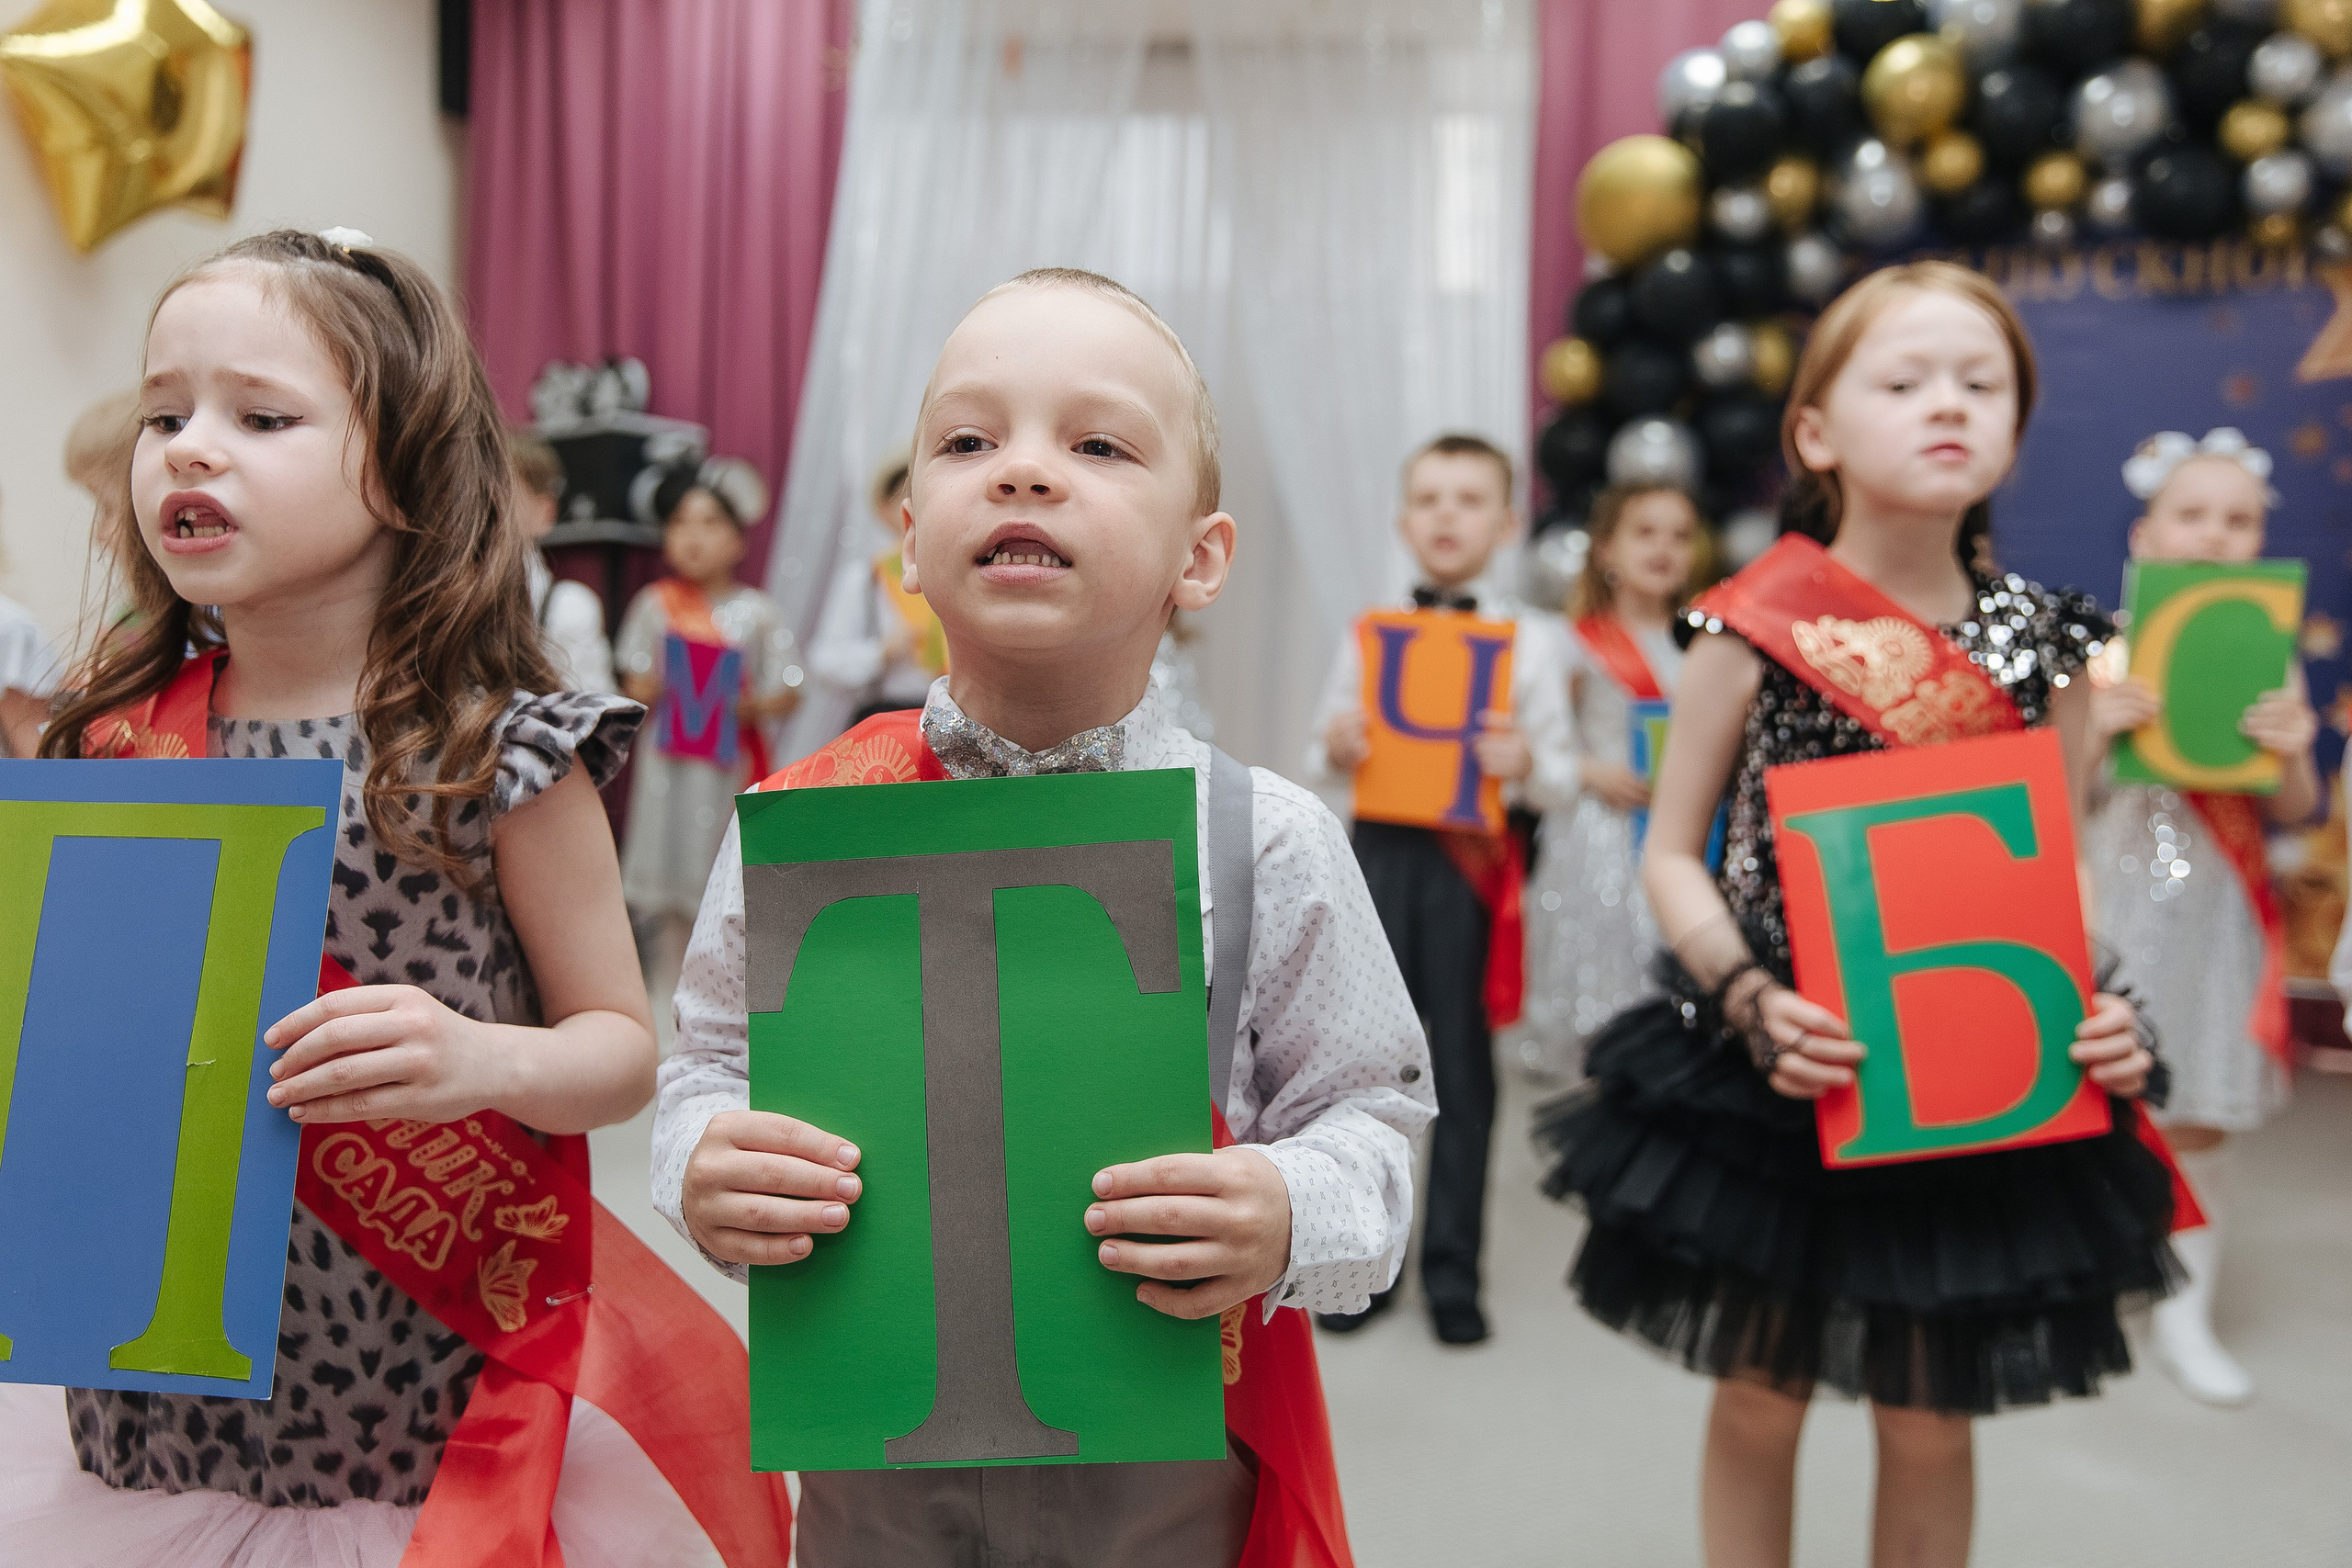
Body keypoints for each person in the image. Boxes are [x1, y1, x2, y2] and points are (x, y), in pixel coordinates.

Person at [653, 265, 1432, 1568]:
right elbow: (709, 1059)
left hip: (1169, 1470)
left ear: (1202, 556)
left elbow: (1378, 1118)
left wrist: (1286, 1204)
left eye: (1098, 444)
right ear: (909, 537)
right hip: (875, 1462)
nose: (1021, 472)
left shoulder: (1267, 837)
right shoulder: (805, 816)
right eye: (969, 441)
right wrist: (698, 1158)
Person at [2, 230, 708, 1564]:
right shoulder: (108, 742)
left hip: (407, 1420)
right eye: (166, 413)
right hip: (150, 1422)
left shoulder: (500, 753)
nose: (190, 448)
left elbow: (619, 1049)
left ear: (405, 467)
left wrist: (476, 1054)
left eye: (261, 415)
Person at [1536, 262, 2177, 1568]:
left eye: (1981, 381)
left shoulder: (2045, 644)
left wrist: (2095, 996)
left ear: (2014, 426)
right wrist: (1745, 993)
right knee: (1761, 1391)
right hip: (1789, 1049)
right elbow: (1674, 852)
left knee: (1934, 1411)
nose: (1948, 401)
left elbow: (2059, 864)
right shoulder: (1754, 626)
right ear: (1816, 432)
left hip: (1978, 1056)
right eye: (1904, 378)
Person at [1305, 432, 1576, 1344]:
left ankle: (1454, 1270)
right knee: (1369, 1066)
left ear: (1504, 524)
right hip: (1376, 863)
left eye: (1468, 500)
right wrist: (1337, 750)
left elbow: (1564, 780)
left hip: (1468, 873)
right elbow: (1319, 759)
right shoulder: (1369, 634)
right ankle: (1367, 1267)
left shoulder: (1533, 645)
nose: (1446, 516)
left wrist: (1528, 762)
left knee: (1459, 1071)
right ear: (1402, 520)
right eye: (1429, 499)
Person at [2081, 427, 2319, 1407]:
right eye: (2192, 514)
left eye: (2238, 520)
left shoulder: (2271, 660)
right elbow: (2053, 802)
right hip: (2114, 909)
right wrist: (2094, 733)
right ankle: (2096, 1282)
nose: (2214, 535)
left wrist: (2293, 746)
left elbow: (2296, 807)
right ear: (2144, 536)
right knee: (2101, 1105)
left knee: (2200, 1117)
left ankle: (2184, 1307)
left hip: (2215, 913)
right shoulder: (2099, 653)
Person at [1521, 482, 1703, 1078]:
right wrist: (1588, 769)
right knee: (1604, 993)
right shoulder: (1571, 644)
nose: (1663, 548)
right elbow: (1541, 747)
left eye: (1679, 535)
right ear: (1606, 549)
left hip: (1687, 834)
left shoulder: (1706, 644)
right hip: (1601, 837)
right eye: (1645, 532)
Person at [615, 473, 800, 960]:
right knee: (667, 883)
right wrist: (661, 684)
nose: (693, 536)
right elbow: (633, 683)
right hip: (668, 766)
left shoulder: (757, 611)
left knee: (727, 878)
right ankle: (667, 999)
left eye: (710, 523)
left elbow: (788, 689)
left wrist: (741, 702)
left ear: (738, 539)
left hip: (729, 764)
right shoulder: (654, 605)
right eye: (680, 523)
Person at [806, 448, 944, 729]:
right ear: (884, 507)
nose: (916, 507)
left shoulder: (961, 572)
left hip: (958, 718)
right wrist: (880, 654)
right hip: (886, 719)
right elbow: (823, 661)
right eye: (905, 497)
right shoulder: (864, 579)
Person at [509, 427, 616, 693]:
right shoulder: (442, 590)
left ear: (544, 513)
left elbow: (589, 718)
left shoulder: (568, 605)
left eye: (503, 491)